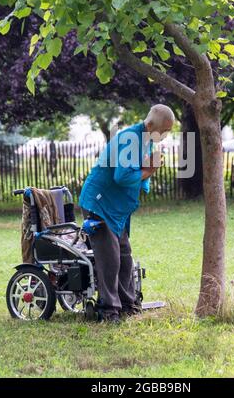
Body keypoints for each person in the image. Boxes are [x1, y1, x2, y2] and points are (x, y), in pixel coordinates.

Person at [79, 104, 175, 322]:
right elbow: (122, 177)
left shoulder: (146, 140)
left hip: (116, 209)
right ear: (150, 125)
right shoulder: (129, 139)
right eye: (164, 130)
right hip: (99, 203)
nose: (166, 135)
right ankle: (109, 310)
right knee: (110, 258)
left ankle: (128, 305)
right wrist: (148, 170)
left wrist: (147, 171)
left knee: (124, 255)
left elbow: (139, 171)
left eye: (169, 131)